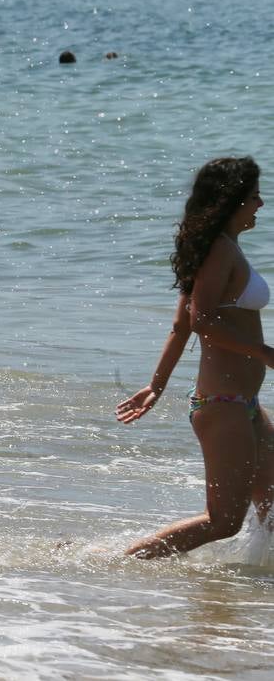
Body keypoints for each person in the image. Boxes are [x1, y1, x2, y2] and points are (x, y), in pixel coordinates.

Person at [117, 157, 274, 558]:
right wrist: (262, 351)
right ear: (232, 199)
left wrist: (156, 385)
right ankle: (121, 563)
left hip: (244, 405)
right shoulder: (219, 251)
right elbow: (200, 320)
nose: (260, 203)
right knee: (223, 521)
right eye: (253, 195)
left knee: (272, 505)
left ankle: (251, 584)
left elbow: (180, 326)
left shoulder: (221, 247)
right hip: (224, 406)